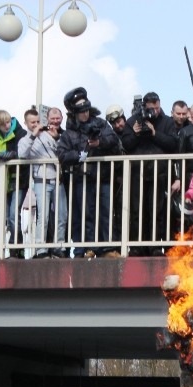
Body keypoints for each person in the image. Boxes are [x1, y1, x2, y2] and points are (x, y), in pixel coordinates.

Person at [57, 87, 121, 258]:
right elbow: (62, 154)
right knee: (86, 214)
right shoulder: (69, 132)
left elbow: (114, 139)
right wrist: (79, 155)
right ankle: (89, 248)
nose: (85, 114)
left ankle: (109, 248)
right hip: (82, 178)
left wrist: (99, 142)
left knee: (106, 212)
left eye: (86, 110)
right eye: (81, 111)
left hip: (103, 176)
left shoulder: (100, 123)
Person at [120, 91, 179, 254]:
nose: (155, 111)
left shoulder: (167, 121)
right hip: (137, 172)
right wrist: (136, 134)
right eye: (151, 108)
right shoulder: (133, 120)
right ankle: (137, 246)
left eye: (157, 108)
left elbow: (173, 144)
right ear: (144, 107)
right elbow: (126, 144)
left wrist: (154, 133)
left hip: (159, 172)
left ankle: (155, 245)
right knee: (137, 210)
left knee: (157, 210)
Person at [19, 107, 67, 258]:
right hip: (41, 181)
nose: (36, 124)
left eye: (38, 121)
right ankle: (41, 249)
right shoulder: (25, 139)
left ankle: (59, 246)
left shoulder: (49, 135)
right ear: (26, 123)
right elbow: (22, 154)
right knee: (43, 216)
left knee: (62, 215)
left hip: (58, 179)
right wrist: (33, 135)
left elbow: (60, 153)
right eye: (32, 122)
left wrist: (56, 138)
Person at [0, 110, 27, 257]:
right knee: (9, 218)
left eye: (8, 122)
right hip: (4, 181)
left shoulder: (20, 133)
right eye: (3, 124)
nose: (7, 126)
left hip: (18, 179)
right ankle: (15, 248)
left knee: (14, 215)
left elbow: (16, 153)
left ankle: (17, 248)